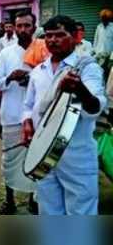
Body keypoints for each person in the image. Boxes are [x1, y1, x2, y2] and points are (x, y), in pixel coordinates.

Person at [22, 15, 106, 215]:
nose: (52, 40)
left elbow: (95, 108)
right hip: (43, 153)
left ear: (76, 37)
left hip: (76, 154)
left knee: (81, 213)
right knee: (48, 210)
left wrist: (80, 89)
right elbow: (28, 105)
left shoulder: (86, 67)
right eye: (48, 36)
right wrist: (26, 122)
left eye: (60, 35)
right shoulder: (38, 71)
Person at [0, 10, 41, 215]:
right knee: (10, 159)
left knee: (36, 160)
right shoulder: (6, 53)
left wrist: (31, 80)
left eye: (27, 25)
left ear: (34, 27)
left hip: (37, 116)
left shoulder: (43, 51)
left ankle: (34, 200)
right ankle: (9, 199)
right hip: (11, 114)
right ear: (12, 26)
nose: (22, 29)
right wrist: (10, 78)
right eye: (19, 25)